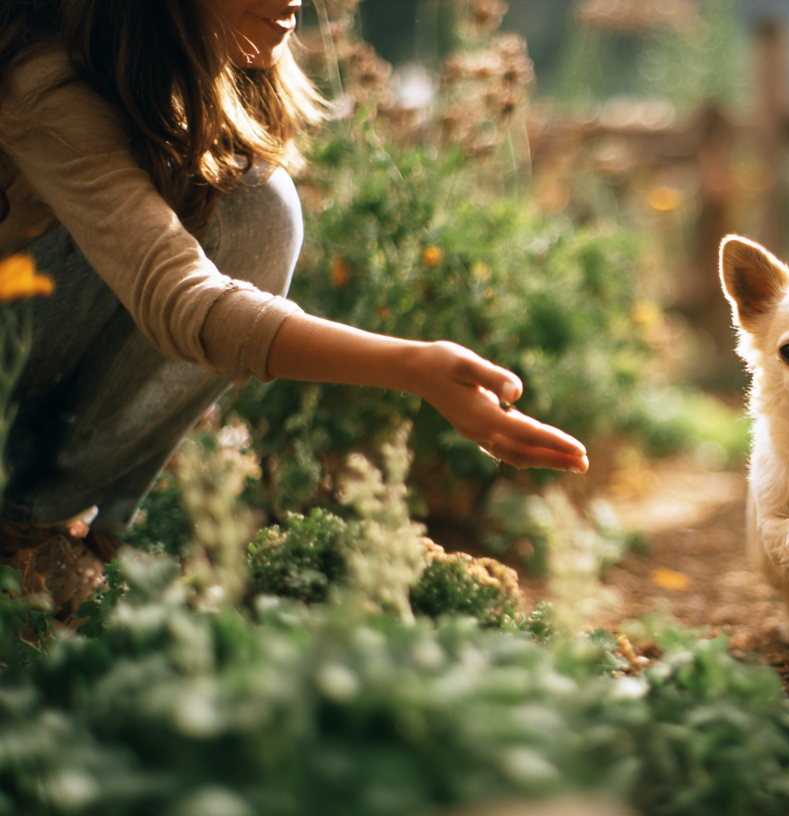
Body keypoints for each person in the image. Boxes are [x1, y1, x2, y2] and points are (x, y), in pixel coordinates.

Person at [0, 0, 589, 619]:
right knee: (253, 209)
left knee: (251, 202)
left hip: (32, 372)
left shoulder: (188, 66)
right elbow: (180, 297)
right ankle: (27, 537)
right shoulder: (44, 79)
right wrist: (413, 367)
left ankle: (58, 534)